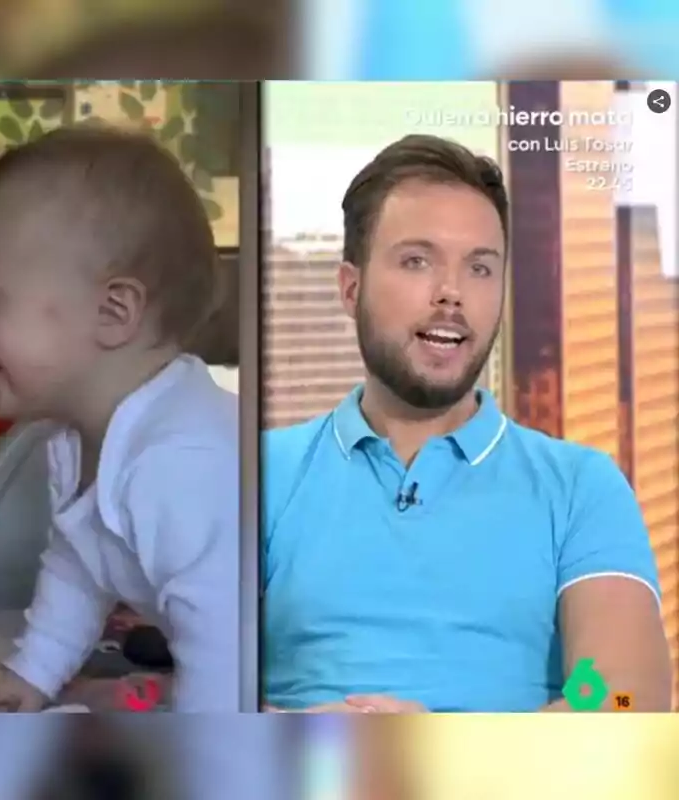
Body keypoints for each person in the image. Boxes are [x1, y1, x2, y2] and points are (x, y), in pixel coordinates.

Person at [261, 134, 673, 712]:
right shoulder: (258, 475)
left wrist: (448, 747)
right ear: (351, 290)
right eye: (417, 261)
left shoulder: (579, 487)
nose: (452, 293)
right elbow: (200, 690)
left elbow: (625, 695)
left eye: (480, 268)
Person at [0, 124, 240, 712]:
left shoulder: (183, 461)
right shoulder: (69, 437)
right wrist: (31, 675)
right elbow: (79, 568)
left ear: (112, 311)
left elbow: (229, 645)